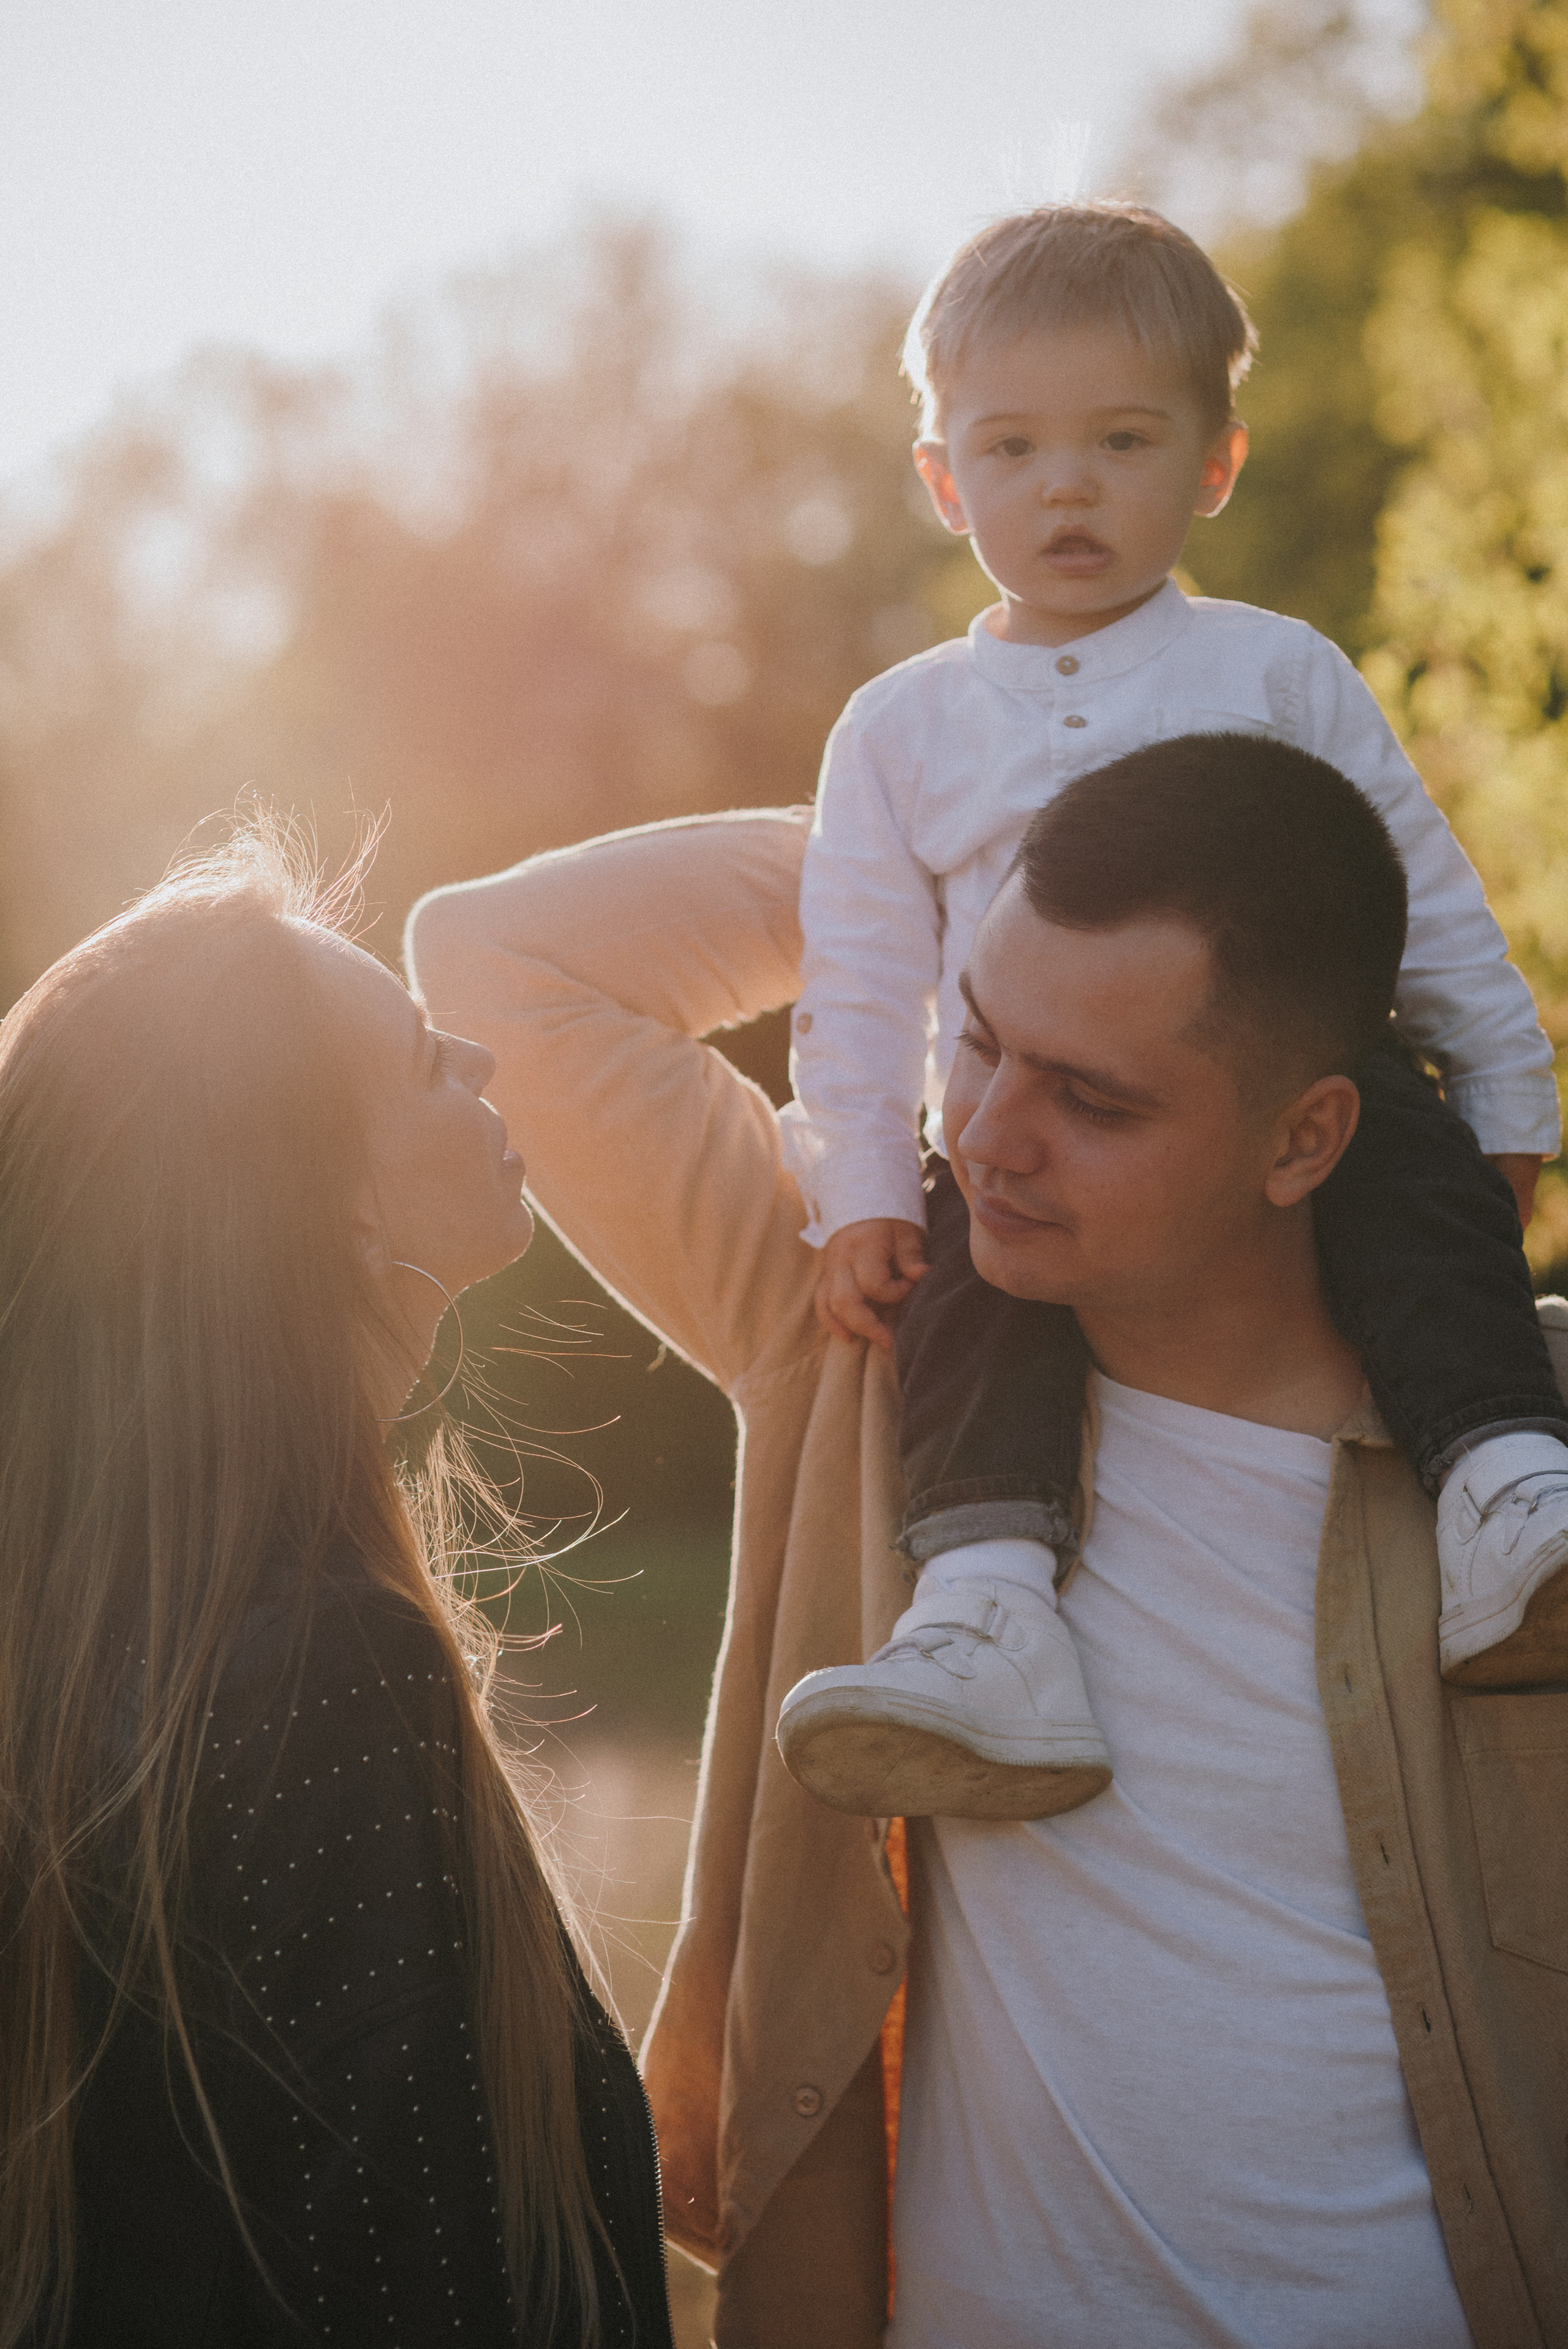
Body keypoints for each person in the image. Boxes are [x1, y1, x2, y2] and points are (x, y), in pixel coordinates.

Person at [410, 790, 1568, 2348]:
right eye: (976, 1037)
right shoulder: (858, 1343)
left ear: (1304, 1136)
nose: (984, 1134)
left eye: (1093, 1097)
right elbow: (492, 960)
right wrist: (955, 819)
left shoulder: (1520, 1477)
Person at [774, 202, 1568, 1822]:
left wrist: (1511, 1112)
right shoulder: (902, 726)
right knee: (969, 1300)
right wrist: (859, 1188)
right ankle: (991, 1613)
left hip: (1298, 1090)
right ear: (944, 478)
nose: (1066, 486)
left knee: (1411, 1189)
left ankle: (1510, 1496)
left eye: (1123, 439)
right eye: (1011, 446)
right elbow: (856, 977)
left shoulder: (1278, 674)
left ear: (1213, 462)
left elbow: (1424, 907)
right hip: (1015, 1130)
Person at [0, 825, 674, 2348]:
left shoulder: (93, 1656)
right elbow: (429, 2288)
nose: (486, 1064)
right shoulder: (325, 1676)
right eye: (431, 1062)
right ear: (337, 1210)